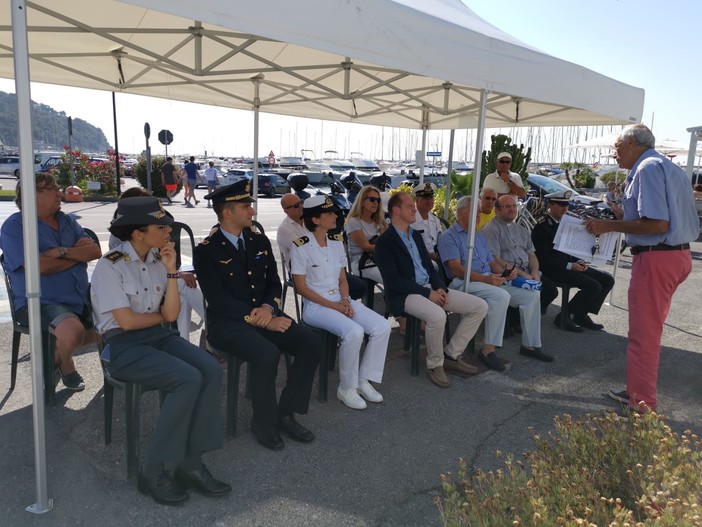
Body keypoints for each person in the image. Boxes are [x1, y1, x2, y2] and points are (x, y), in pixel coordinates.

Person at [91, 196, 229, 505]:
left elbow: (171, 312)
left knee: (209, 369)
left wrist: (170, 271)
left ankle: (190, 464)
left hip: (157, 337)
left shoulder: (158, 261)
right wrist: (160, 318)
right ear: (137, 232)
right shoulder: (110, 265)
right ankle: (152, 471)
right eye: (161, 226)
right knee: (187, 378)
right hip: (122, 346)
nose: (169, 230)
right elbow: (126, 322)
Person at [194, 180, 322, 451]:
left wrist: (268, 309)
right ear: (227, 212)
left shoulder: (258, 240)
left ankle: (285, 412)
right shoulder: (206, 250)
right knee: (266, 353)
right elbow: (218, 300)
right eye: (245, 206)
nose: (252, 211)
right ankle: (263, 422)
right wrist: (260, 318)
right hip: (228, 324)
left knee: (311, 343)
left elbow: (274, 283)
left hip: (265, 314)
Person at [584, 124, 698, 413]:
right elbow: (663, 218)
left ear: (633, 142)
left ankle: (642, 402)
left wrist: (608, 225)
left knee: (644, 335)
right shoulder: (669, 167)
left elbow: (657, 224)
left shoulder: (646, 168)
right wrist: (625, 216)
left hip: (656, 257)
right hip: (676, 256)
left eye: (618, 148)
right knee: (649, 330)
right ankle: (637, 391)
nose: (614, 155)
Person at [375, 192, 488, 388]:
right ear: (396, 210)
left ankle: (451, 354)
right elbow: (392, 281)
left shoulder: (415, 236)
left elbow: (429, 267)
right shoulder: (385, 241)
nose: (414, 209)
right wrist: (427, 293)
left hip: (430, 288)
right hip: (405, 294)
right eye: (410, 206)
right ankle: (435, 364)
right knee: (437, 316)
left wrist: (439, 288)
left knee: (479, 306)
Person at [0, 173, 101, 391]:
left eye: (58, 187)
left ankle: (54, 354)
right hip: (39, 302)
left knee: (115, 323)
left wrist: (62, 252)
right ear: (31, 195)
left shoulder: (67, 221)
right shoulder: (14, 227)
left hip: (79, 296)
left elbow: (94, 251)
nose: (59, 192)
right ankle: (65, 363)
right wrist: (76, 255)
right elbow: (40, 267)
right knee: (73, 332)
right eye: (52, 188)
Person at [291, 195, 391, 410]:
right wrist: (336, 306)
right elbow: (301, 288)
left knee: (382, 326)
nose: (335, 215)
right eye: (329, 213)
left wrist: (345, 300)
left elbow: (342, 279)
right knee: (353, 332)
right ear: (315, 219)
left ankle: (364, 380)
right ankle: (347, 388)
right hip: (316, 307)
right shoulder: (301, 246)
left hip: (340, 299)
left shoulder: (336, 242)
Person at [438, 196, 544, 370]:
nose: (479, 216)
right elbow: (456, 269)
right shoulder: (448, 236)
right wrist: (487, 279)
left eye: (479, 212)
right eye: (475, 212)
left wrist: (505, 273)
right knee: (500, 296)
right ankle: (488, 350)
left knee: (531, 295)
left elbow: (491, 264)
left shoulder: (478, 237)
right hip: (462, 283)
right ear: (460, 212)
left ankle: (530, 345)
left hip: (486, 280)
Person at [108, 187, 205, 341]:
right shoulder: (119, 246)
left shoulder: (150, 234)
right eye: (161, 227)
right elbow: (135, 269)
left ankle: (192, 337)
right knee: (184, 290)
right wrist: (165, 316)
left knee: (185, 292)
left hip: (158, 279)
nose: (167, 230)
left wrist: (175, 272)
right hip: (139, 285)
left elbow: (158, 263)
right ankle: (211, 330)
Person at [480, 194, 557, 360]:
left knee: (547, 291)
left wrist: (535, 272)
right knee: (534, 293)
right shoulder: (490, 230)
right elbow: (496, 260)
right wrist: (525, 275)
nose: (512, 209)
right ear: (497, 210)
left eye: (514, 206)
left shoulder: (521, 229)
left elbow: (531, 254)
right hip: (508, 275)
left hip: (528, 273)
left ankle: (530, 344)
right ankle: (512, 328)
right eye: (507, 207)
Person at [532, 190, 614, 331]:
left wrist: (580, 260)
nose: (565, 208)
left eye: (566, 205)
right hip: (553, 269)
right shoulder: (542, 227)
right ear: (550, 205)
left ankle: (580, 314)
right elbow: (543, 259)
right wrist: (570, 265)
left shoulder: (567, 223)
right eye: (560, 205)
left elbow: (573, 247)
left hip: (570, 265)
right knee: (594, 286)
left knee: (607, 280)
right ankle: (564, 316)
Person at [276, 193, 366, 300]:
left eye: (301, 202)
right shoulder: (284, 229)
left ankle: (343, 304)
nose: (301, 206)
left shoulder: (309, 221)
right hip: (303, 271)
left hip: (326, 266)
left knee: (359, 286)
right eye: (296, 206)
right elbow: (308, 251)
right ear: (286, 210)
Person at [345, 185, 387, 286]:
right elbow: (366, 247)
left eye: (378, 200)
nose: (376, 203)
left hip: (379, 259)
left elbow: (389, 240)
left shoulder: (378, 221)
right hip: (361, 261)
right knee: (389, 278)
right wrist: (386, 247)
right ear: (362, 201)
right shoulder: (354, 222)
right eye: (372, 199)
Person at [410, 182, 443, 263]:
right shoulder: (410, 220)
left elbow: (440, 242)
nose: (429, 201)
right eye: (425, 198)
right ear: (416, 201)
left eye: (431, 198)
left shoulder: (435, 220)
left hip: (437, 259)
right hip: (418, 260)